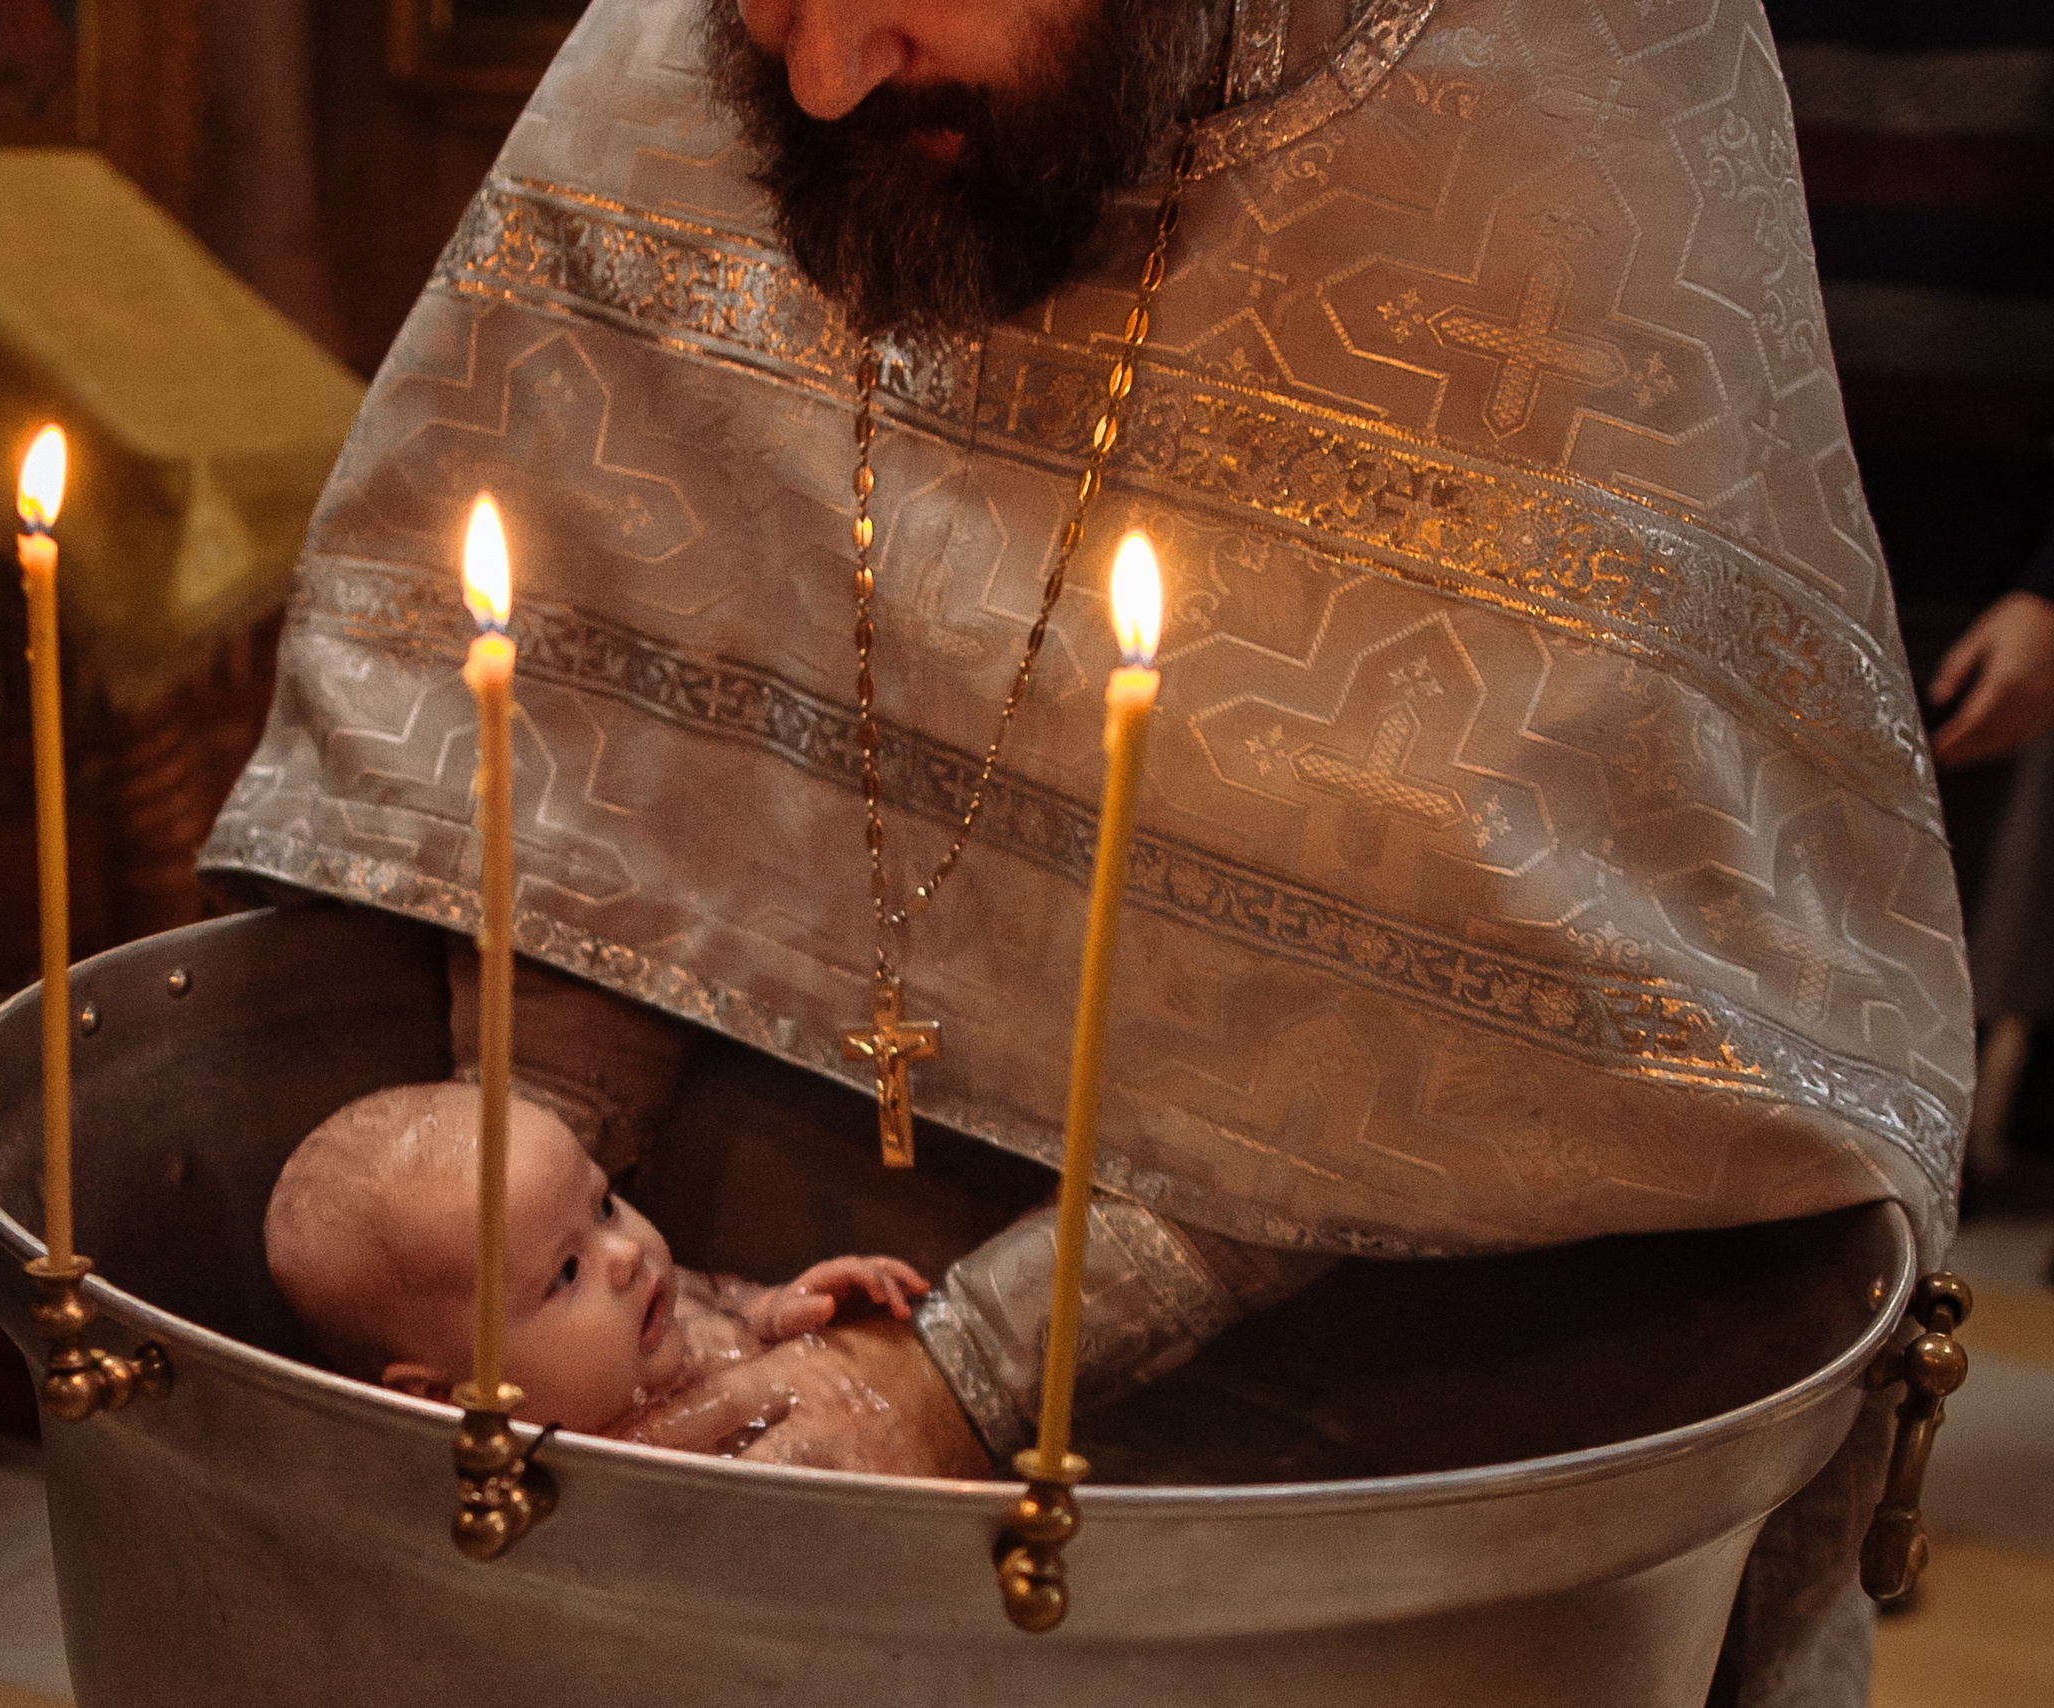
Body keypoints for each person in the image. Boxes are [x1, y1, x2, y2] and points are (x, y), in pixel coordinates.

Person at [205, 1, 1969, 1701]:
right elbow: (592, 635)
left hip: (1375, 1462)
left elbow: (1501, 947)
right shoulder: (723, 53)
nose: (814, 75)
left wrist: (973, 1362)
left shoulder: (1560, 99)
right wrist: (536, 1195)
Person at [265, 1082, 933, 1466]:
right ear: (446, 1397)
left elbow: (720, 1298)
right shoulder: (556, 1471)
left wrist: (778, 1309)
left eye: (605, 1205)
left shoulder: (656, 1303)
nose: (625, 1254)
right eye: (564, 1273)